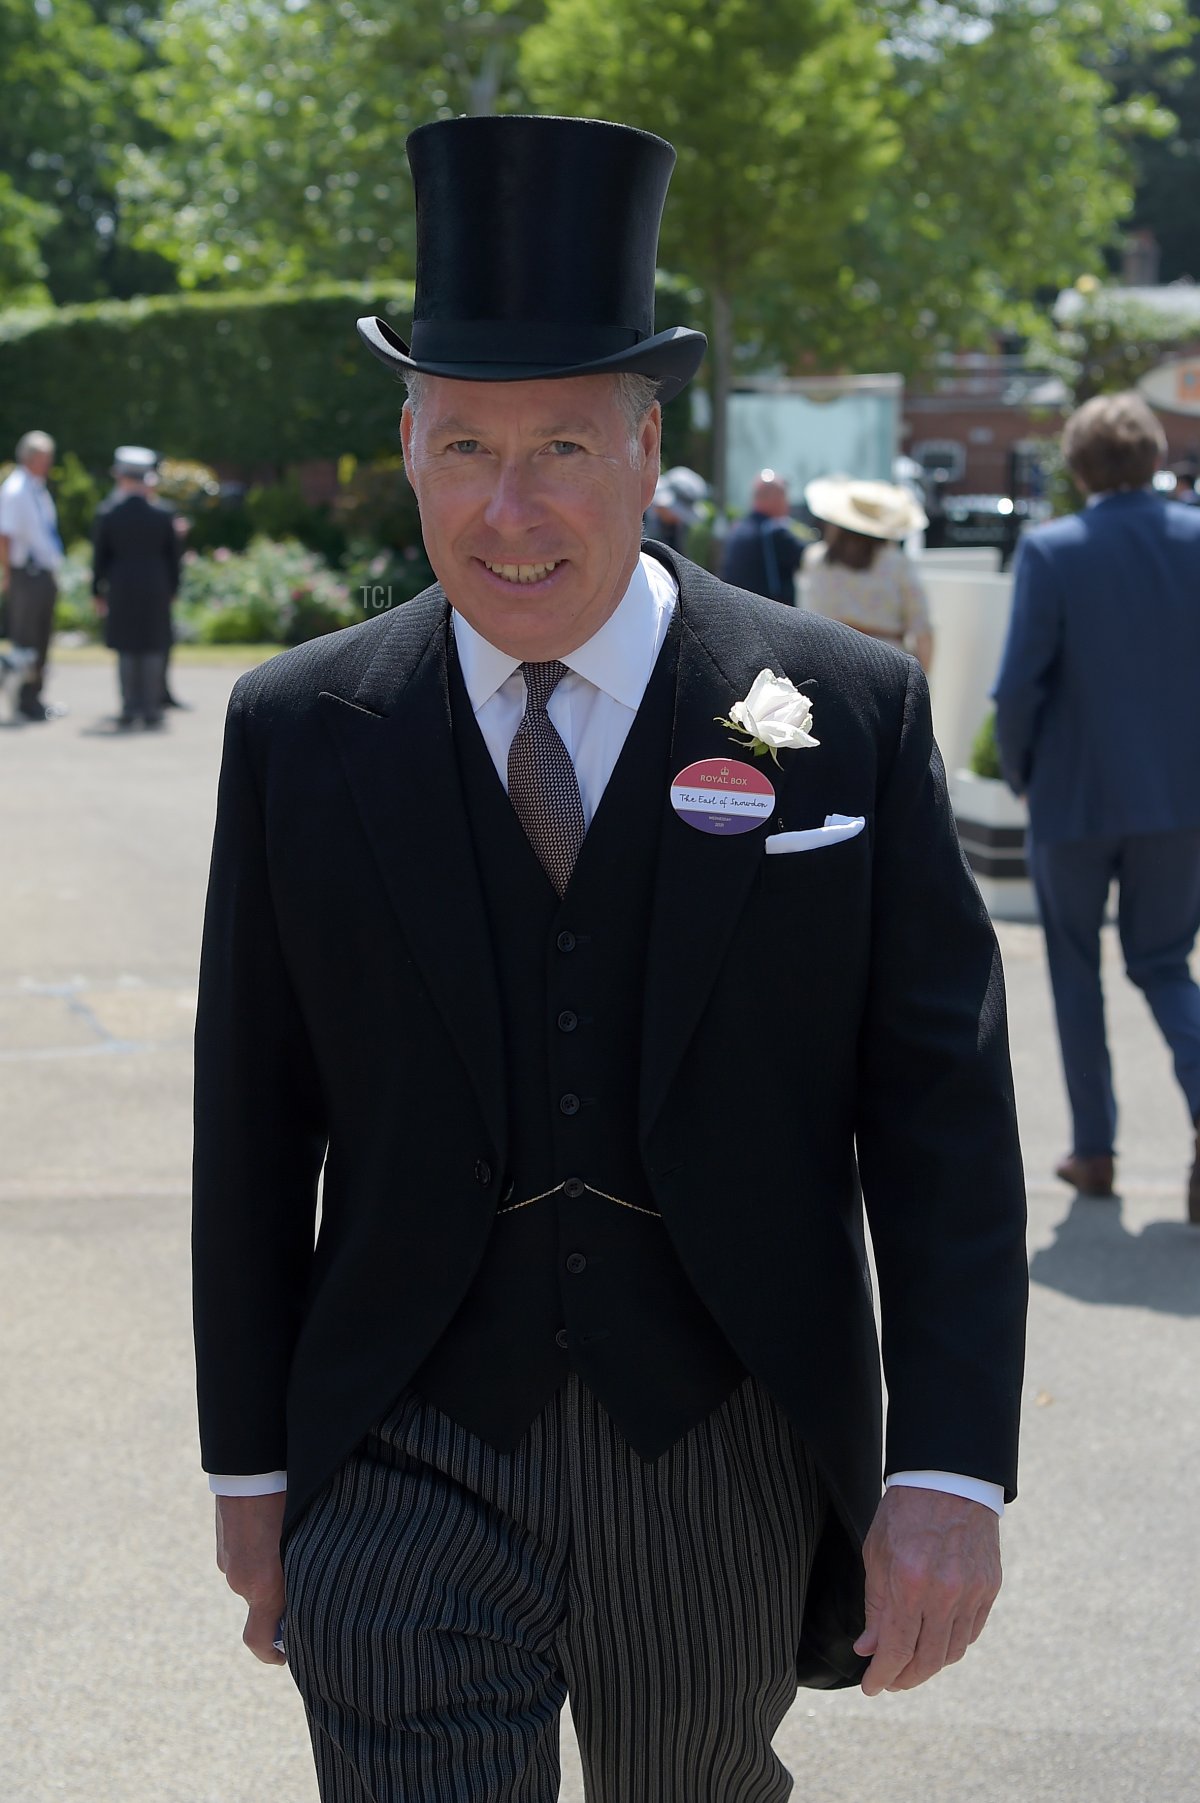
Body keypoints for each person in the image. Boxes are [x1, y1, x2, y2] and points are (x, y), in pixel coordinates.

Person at [193, 115, 1028, 1803]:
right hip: (399, 1437)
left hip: (715, 1444)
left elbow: (940, 1116)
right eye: (460, 449)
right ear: (406, 450)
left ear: (650, 451)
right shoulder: (302, 727)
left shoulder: (838, 716)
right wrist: (251, 1466)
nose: (508, 509)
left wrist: (951, 1467)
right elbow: (251, 1124)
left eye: (561, 446)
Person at [993, 391, 1200, 1222]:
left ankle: (1094, 1149)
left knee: (1075, 970)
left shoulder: (1052, 549)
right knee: (1161, 964)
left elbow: (1017, 686)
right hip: (1183, 798)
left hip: (1073, 794)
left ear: (1077, 468)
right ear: (1154, 457)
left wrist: (1018, 771)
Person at [803, 476, 934, 672]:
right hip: (885, 665)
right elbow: (922, 629)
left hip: (825, 661)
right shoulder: (898, 564)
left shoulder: (816, 559)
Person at [91, 446, 181, 730]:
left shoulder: (108, 513)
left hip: (121, 587)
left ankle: (130, 707)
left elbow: (100, 558)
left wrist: (96, 590)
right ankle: (152, 709)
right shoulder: (163, 514)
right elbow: (174, 556)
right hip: (156, 586)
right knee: (153, 645)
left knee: (127, 648)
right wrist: (174, 587)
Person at [0, 429, 64, 720]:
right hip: (26, 573)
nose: (49, 463)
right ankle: (24, 701)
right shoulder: (15, 490)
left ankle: (35, 698)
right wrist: (7, 574)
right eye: (44, 457)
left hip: (42, 572)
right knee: (26, 641)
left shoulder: (36, 488)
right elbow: (5, 536)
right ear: (30, 458)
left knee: (41, 639)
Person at [718, 469, 804, 603]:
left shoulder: (737, 528)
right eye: (783, 495)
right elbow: (809, 558)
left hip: (736, 607)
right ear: (772, 498)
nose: (787, 503)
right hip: (767, 613)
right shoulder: (772, 531)